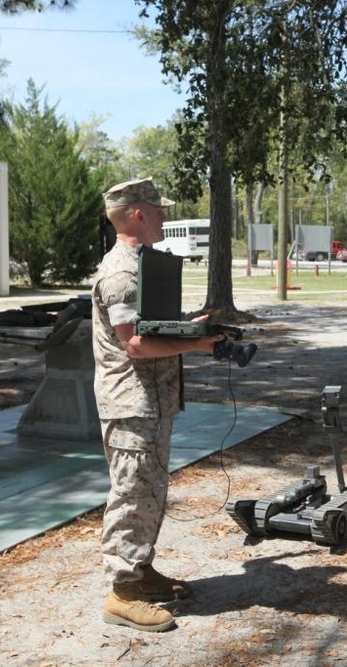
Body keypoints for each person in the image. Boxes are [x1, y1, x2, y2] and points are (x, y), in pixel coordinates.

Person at [93, 177, 224, 633]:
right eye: (159, 209)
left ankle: (140, 569)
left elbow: (150, 327)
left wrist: (188, 327)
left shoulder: (143, 265)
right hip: (130, 404)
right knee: (132, 494)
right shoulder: (121, 273)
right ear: (138, 214)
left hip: (150, 402)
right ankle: (122, 592)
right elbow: (135, 346)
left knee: (150, 491)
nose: (165, 216)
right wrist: (198, 347)